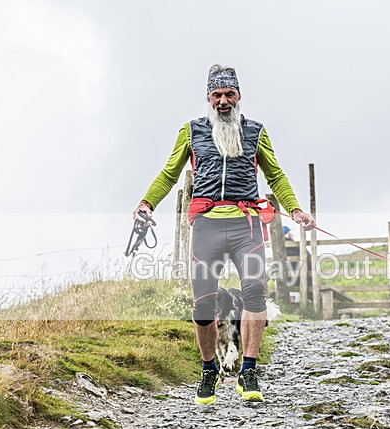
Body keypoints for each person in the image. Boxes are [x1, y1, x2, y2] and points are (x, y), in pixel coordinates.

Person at [133, 65, 315, 405]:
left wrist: (295, 210)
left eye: (229, 94)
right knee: (203, 305)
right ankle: (208, 369)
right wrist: (146, 203)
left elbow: (276, 175)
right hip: (206, 226)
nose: (223, 101)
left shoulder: (257, 132)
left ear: (239, 96)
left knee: (255, 292)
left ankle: (248, 369)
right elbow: (169, 173)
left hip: (246, 224)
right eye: (216, 95)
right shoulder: (191, 132)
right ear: (208, 98)